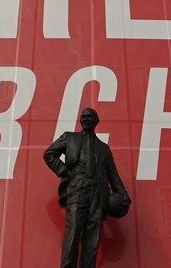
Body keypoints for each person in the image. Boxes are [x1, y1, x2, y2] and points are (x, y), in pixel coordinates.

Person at [43, 107, 129, 268]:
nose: (86, 119)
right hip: (77, 189)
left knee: (92, 238)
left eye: (90, 117)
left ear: (96, 121)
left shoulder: (104, 148)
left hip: (97, 194)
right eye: (83, 116)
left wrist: (123, 195)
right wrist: (64, 172)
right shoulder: (69, 138)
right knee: (73, 232)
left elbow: (113, 176)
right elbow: (49, 154)